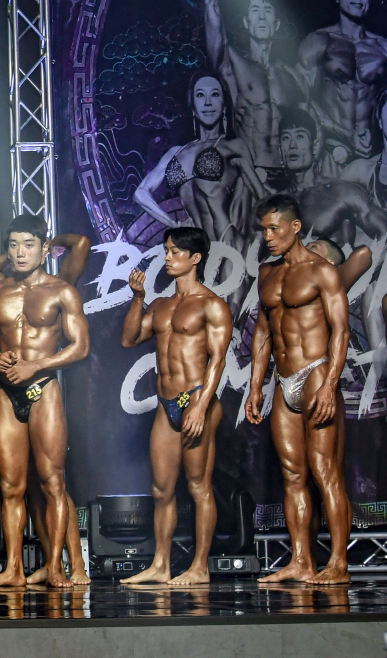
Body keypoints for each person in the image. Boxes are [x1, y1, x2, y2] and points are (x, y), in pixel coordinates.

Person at [0, 213, 90, 588]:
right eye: (14, 245)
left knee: (52, 483)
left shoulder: (61, 291)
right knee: (11, 487)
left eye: (28, 245)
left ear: (44, 248)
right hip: (8, 393)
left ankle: (55, 567)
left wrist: (35, 365)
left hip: (43, 390)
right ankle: (13, 569)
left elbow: (80, 347)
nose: (20, 253)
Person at [247, 194, 352, 584]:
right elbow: (262, 333)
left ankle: (338, 564)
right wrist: (255, 386)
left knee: (324, 470)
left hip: (316, 373)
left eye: (274, 229)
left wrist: (330, 384)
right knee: (292, 475)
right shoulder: (267, 273)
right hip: (283, 380)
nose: (268, 237)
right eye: (264, 230)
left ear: (295, 227)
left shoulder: (322, 271)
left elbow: (341, 330)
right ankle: (302, 561)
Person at [119, 227, 232, 585]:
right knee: (161, 489)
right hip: (166, 403)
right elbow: (129, 340)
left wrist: (200, 406)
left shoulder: (211, 304)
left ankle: (199, 567)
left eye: (174, 252)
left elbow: (218, 360)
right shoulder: (160, 305)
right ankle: (160, 565)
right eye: (166, 251)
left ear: (195, 258)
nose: (167, 257)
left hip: (196, 399)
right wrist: (138, 298)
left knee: (198, 486)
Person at [201, 0, 300, 174]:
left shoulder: (291, 76)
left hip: (288, 177)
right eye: (255, 11)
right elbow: (210, 2)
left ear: (276, 24)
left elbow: (310, 126)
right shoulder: (233, 64)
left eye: (268, 11)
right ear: (246, 22)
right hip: (251, 174)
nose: (262, 17)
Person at [134, 73, 266, 250]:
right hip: (196, 247)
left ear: (224, 105)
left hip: (227, 243)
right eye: (200, 95)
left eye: (215, 94)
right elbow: (140, 194)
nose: (208, 102)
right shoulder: (176, 152)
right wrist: (173, 224)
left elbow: (261, 199)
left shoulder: (233, 146)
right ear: (193, 106)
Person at [298, 0, 387, 178]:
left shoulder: (383, 48)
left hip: (374, 155)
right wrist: (345, 135)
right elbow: (301, 98)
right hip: (331, 151)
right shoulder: (318, 41)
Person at [278, 107, 387, 247]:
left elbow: (385, 232)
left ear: (315, 146)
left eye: (300, 136)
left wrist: (361, 260)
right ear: (280, 150)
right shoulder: (269, 205)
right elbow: (253, 255)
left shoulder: (341, 192)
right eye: (286, 138)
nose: (292, 145)